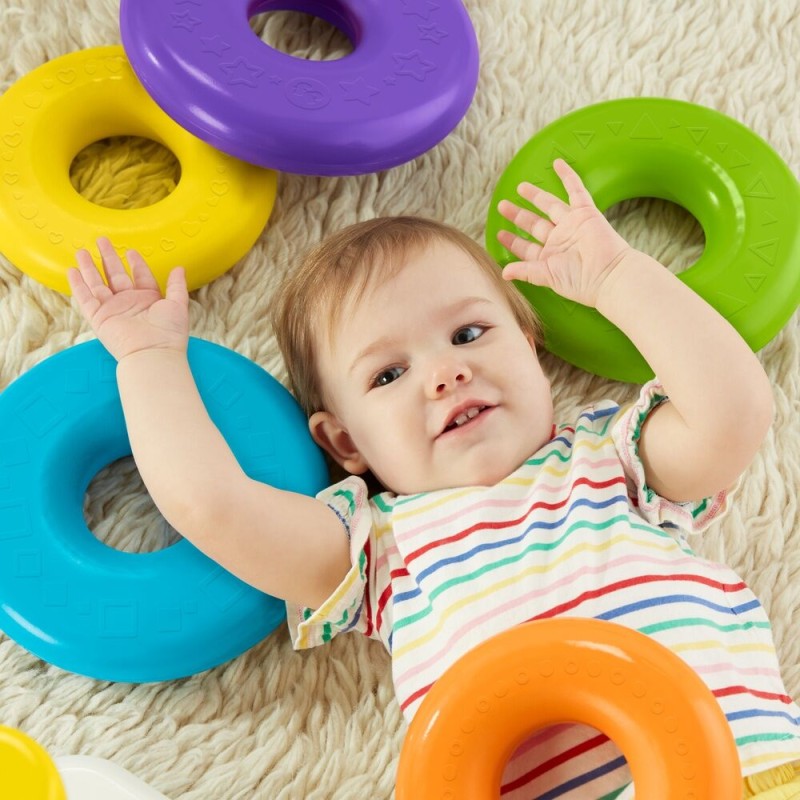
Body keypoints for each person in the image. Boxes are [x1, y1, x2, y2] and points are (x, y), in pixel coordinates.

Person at [67, 160, 800, 799]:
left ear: (532, 349)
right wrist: (147, 357)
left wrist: (615, 277)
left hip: (745, 773)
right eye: (389, 373)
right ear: (346, 441)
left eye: (470, 333)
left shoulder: (610, 461)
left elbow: (735, 409)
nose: (447, 373)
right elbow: (211, 505)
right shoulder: (378, 548)